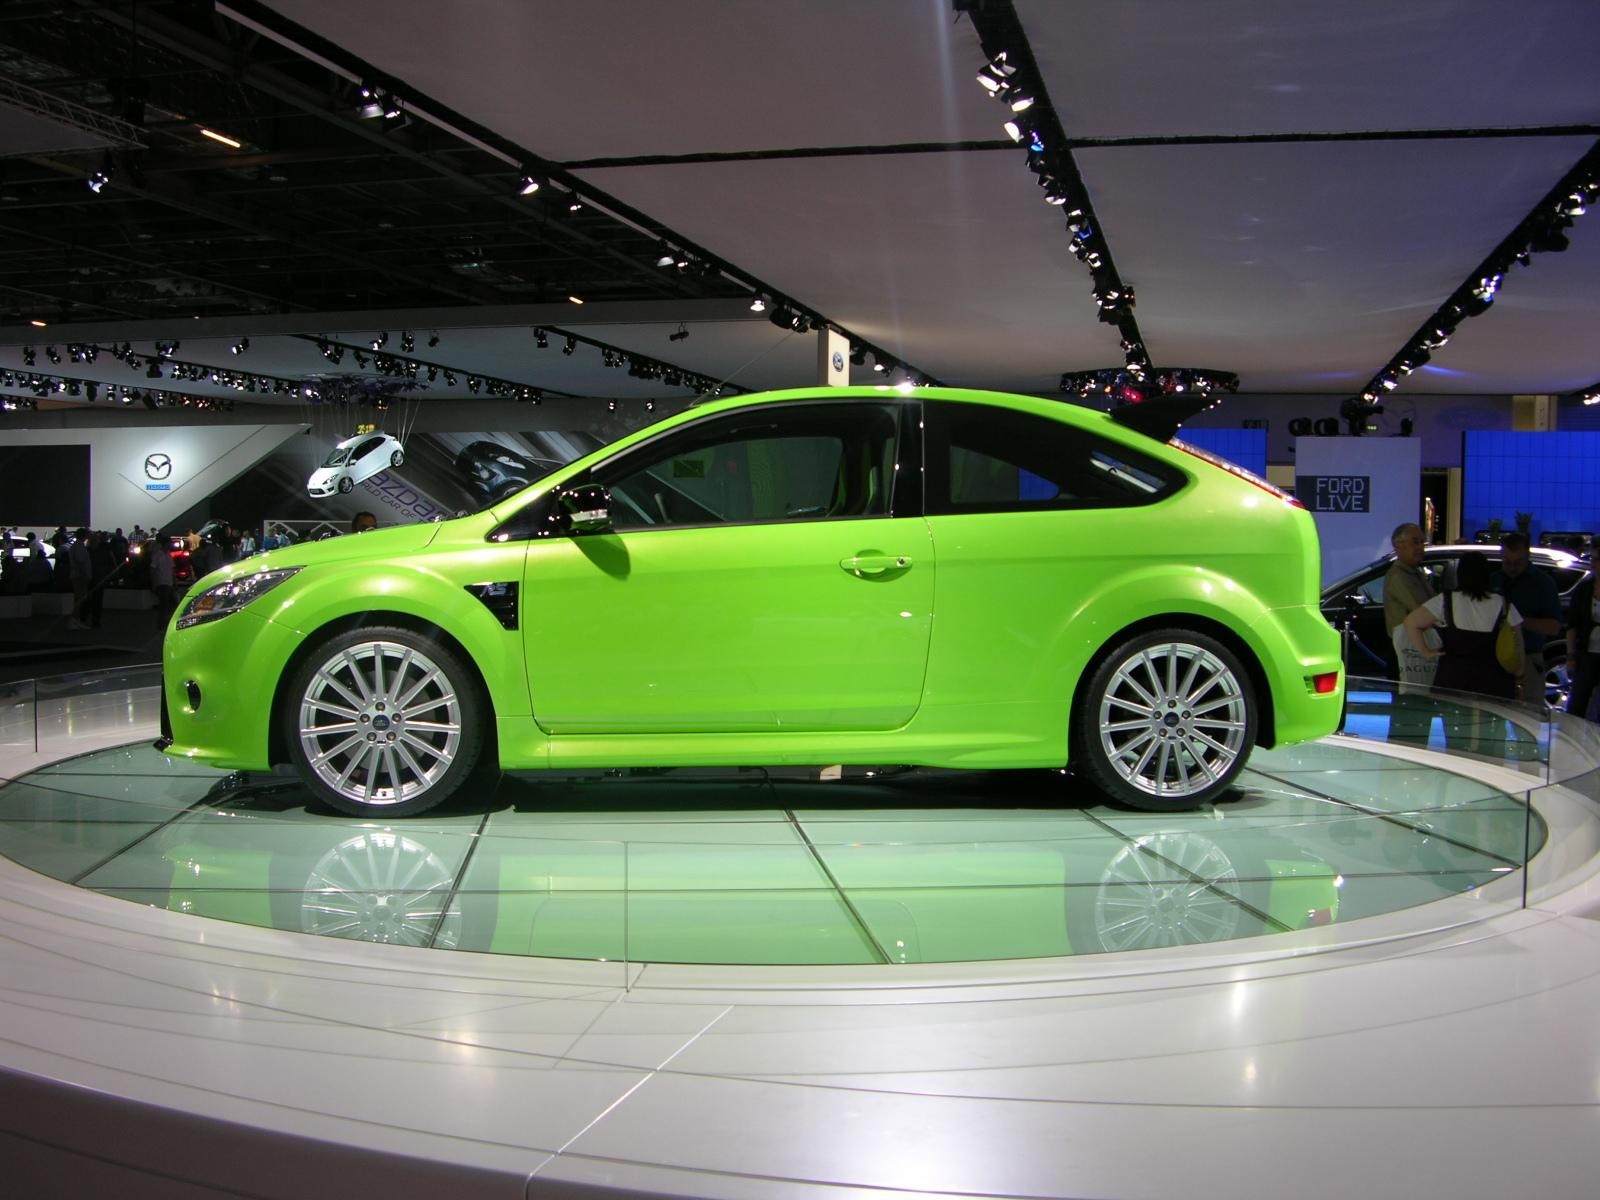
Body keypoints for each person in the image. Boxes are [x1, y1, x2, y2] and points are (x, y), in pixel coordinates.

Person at [1407, 550, 1523, 755]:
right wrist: (1519, 674)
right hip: (1493, 681)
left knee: (1456, 739)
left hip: (1455, 678)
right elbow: (1518, 645)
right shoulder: (1503, 604)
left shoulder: (1446, 601)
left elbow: (1411, 623)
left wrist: (1426, 651)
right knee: (1493, 739)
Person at [1495, 532, 1562, 706]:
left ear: (1528, 556)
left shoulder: (1543, 583)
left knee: (1529, 714)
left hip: (1529, 659)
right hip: (1495, 659)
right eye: (1507, 562)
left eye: (1518, 562)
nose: (1512, 567)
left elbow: (1554, 627)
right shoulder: (1494, 580)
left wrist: (1518, 621)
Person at [1382, 522, 1437, 690]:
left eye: (1422, 542)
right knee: (1409, 706)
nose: (1421, 547)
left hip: (1415, 650)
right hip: (1405, 652)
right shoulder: (1398, 576)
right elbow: (1423, 610)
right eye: (1415, 542)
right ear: (1399, 545)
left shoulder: (1415, 572)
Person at [1565, 567, 1600, 721]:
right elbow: (1573, 623)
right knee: (1578, 704)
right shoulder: (1584, 588)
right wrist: (1570, 655)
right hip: (1586, 654)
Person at [67, 529, 92, 629]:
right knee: (79, 598)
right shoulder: (79, 546)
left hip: (78, 575)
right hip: (80, 576)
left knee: (79, 598)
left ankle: (75, 620)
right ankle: (74, 620)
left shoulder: (77, 545)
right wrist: (85, 574)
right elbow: (80, 561)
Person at [149, 534, 175, 624]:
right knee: (165, 604)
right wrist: (154, 582)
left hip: (169, 582)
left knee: (169, 604)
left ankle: (163, 621)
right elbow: (152, 569)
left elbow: (172, 569)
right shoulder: (157, 555)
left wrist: (174, 581)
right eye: (169, 543)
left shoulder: (168, 555)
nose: (171, 545)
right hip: (161, 582)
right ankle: (161, 623)